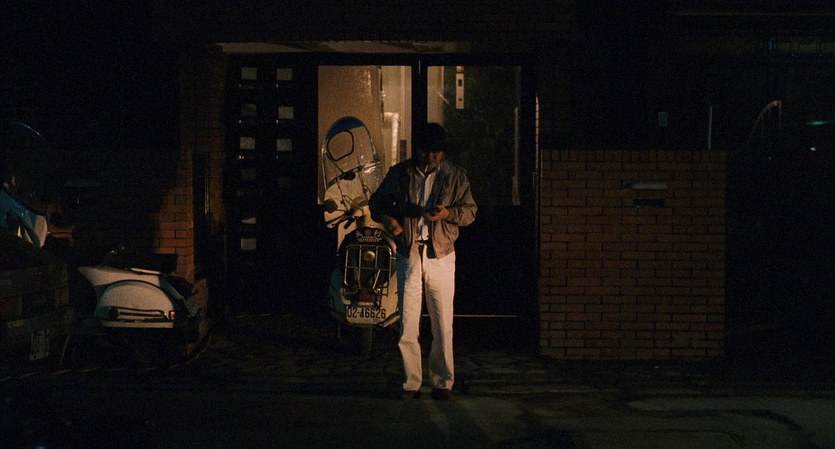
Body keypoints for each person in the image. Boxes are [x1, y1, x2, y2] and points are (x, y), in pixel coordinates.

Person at [369, 122, 477, 401]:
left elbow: (469, 212)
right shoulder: (400, 174)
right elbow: (376, 203)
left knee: (442, 323)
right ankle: (411, 382)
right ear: (417, 149)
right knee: (408, 321)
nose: (432, 158)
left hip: (441, 253)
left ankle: (442, 382)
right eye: (427, 152)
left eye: (437, 152)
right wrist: (391, 222)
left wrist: (447, 214)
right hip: (410, 250)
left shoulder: (455, 175)